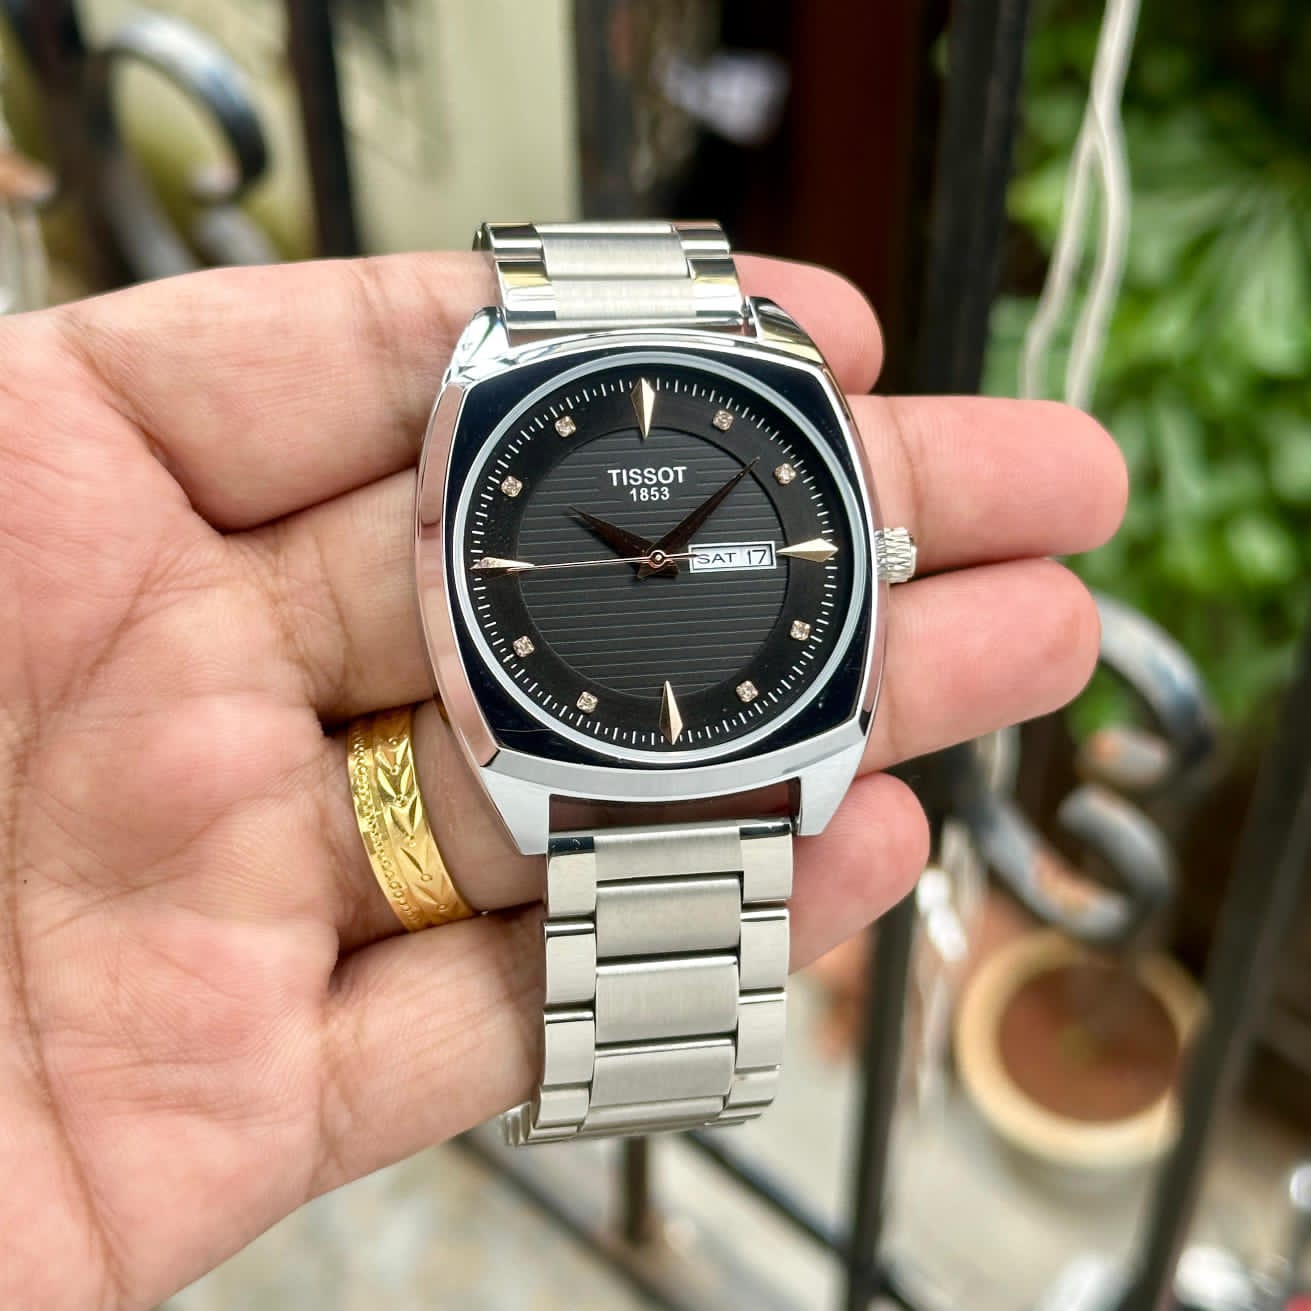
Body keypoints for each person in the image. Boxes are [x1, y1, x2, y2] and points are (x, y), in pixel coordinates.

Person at [0, 251, 1126, 1309]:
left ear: (880, 556)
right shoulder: (508, 456)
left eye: (667, 556)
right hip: (545, 758)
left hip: (760, 746)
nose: (658, 563)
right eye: (644, 558)